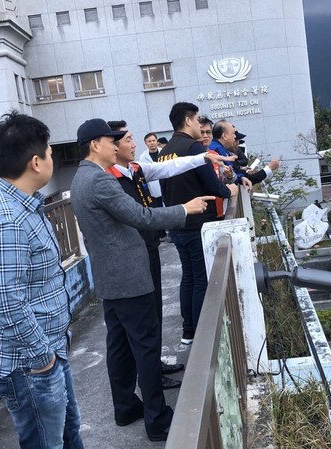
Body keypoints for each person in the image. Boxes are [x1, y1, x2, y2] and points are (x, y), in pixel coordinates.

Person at [69, 118, 214, 442]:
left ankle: (126, 407)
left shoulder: (80, 179)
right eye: (112, 140)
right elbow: (141, 217)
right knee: (146, 348)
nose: (117, 144)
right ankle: (157, 419)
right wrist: (184, 209)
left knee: (119, 346)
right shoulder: (100, 181)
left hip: (108, 278)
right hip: (131, 278)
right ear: (96, 145)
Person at [0, 111, 84, 449]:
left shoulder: (23, 206)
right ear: (36, 162)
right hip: (29, 365)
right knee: (45, 443)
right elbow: (6, 304)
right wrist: (43, 360)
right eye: (50, 152)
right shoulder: (6, 222)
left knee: (68, 433)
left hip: (47, 352)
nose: (53, 157)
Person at [159, 102, 238, 345]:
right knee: (201, 278)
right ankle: (201, 333)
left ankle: (188, 331)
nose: (198, 126)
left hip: (176, 222)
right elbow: (211, 185)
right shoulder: (193, 147)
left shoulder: (165, 151)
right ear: (187, 120)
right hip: (197, 222)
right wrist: (229, 189)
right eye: (196, 121)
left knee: (188, 276)